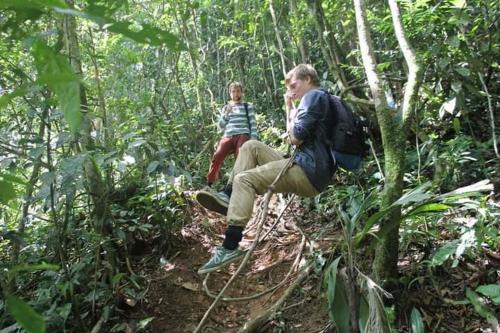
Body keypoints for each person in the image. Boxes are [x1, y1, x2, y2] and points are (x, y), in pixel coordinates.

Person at [196, 64, 337, 274]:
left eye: (294, 84)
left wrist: (293, 111)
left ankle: (230, 246)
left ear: (308, 78)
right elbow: (296, 137)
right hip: (302, 162)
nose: (291, 90)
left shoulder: (313, 97)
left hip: (308, 170)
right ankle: (227, 195)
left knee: (244, 180)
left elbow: (295, 137)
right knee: (250, 146)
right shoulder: (316, 99)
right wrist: (289, 106)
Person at [206, 81, 258, 188]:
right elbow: (221, 126)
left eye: (238, 91)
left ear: (242, 93)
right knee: (217, 156)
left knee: (241, 157)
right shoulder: (226, 108)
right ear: (230, 93)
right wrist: (227, 113)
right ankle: (210, 183)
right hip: (228, 135)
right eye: (233, 91)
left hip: (243, 134)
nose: (236, 94)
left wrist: (254, 139)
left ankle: (240, 184)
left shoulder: (247, 106)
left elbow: (253, 124)